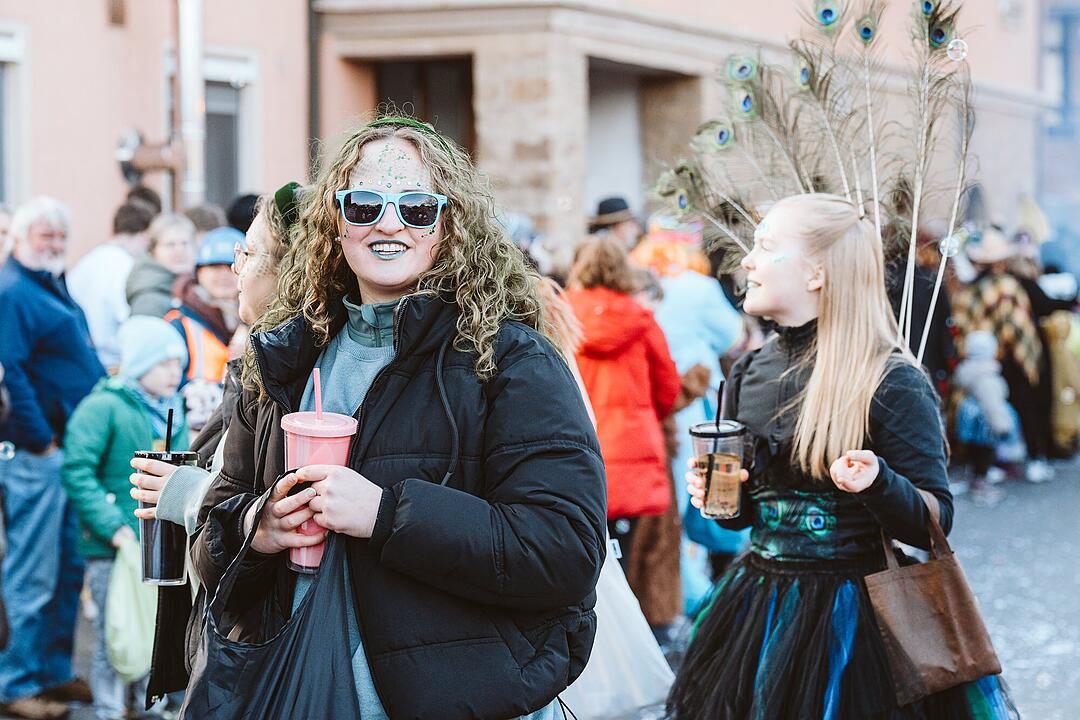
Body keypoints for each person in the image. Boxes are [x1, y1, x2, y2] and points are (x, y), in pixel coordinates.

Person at [189, 117, 605, 719]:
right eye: (363, 204)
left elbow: (564, 551)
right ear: (335, 222)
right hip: (296, 687)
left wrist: (385, 514)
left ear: (448, 225)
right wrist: (259, 529)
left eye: (415, 206)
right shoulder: (283, 360)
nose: (388, 223)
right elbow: (213, 534)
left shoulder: (511, 360)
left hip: (453, 700)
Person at [668, 194, 1015, 719]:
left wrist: (879, 484)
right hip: (755, 607)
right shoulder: (748, 372)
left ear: (816, 274)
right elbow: (743, 516)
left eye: (766, 247)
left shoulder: (890, 381)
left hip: (857, 624)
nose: (746, 261)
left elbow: (934, 523)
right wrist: (725, 494)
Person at [127, 184, 301, 705]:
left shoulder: (293, 375)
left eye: (247, 253)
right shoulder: (255, 361)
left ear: (289, 272)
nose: (235, 267)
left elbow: (272, 506)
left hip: (263, 652)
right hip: (229, 637)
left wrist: (186, 492)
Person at [0, 197, 105, 720]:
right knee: (34, 574)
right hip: (36, 454)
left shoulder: (47, 285)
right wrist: (41, 440)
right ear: (21, 238)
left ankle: (54, 673)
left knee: (66, 570)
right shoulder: (13, 291)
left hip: (65, 454)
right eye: (45, 236)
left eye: (61, 236)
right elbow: (9, 372)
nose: (56, 245)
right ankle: (18, 684)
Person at [61, 317, 188, 720]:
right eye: (164, 363)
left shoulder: (173, 410)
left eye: (178, 363)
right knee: (114, 633)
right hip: (112, 547)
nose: (176, 371)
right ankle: (108, 709)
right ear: (139, 363)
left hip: (160, 544)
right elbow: (77, 469)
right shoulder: (104, 406)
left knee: (154, 626)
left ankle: (148, 704)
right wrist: (112, 527)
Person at [565, 234, 681, 574]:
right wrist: (643, 416)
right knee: (623, 558)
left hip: (578, 442)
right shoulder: (642, 320)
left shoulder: (561, 314)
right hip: (631, 445)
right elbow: (668, 388)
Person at [952, 226, 1073, 483]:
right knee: (1026, 406)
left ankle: (993, 462)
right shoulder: (1009, 284)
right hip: (1014, 359)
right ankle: (1033, 458)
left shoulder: (972, 288)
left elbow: (965, 324)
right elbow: (1019, 326)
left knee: (990, 407)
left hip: (986, 360)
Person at [165, 226, 241, 432]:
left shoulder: (254, 320)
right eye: (214, 266)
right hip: (192, 435)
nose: (224, 274)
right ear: (199, 272)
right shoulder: (179, 322)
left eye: (231, 265)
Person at [67, 202, 156, 372]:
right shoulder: (127, 267)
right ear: (145, 235)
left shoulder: (86, 261)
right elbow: (129, 320)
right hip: (113, 364)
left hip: (84, 358)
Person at [953, 331, 1021, 506]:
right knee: (985, 451)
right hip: (985, 422)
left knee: (975, 451)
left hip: (970, 419)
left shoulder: (967, 371)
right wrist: (1003, 425)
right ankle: (981, 482)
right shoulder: (987, 377)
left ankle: (975, 477)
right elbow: (992, 404)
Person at [126, 214, 196, 318]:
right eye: (170, 244)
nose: (179, 251)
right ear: (153, 251)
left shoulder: (190, 287)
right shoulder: (148, 302)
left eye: (185, 243)